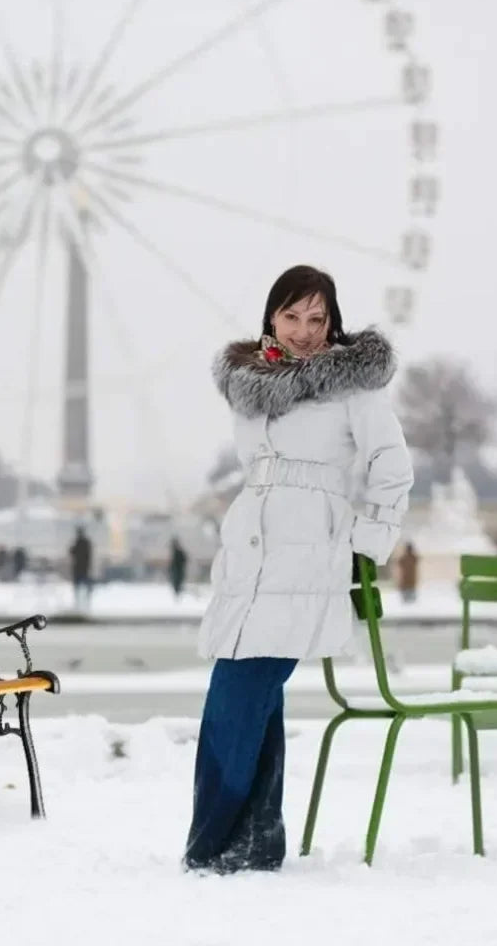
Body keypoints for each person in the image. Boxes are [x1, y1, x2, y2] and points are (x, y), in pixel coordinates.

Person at [185, 264, 413, 875]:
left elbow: (393, 470)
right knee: (255, 699)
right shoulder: (249, 384)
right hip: (249, 558)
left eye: (319, 318)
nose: (307, 331)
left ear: (333, 321)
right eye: (293, 316)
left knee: (235, 698)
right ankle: (257, 841)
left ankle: (209, 846)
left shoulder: (354, 389)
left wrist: (365, 545)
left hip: (310, 558)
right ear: (271, 318)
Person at [69, 527, 93, 611]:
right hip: (84, 567)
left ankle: (80, 600)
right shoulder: (86, 543)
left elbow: (72, 552)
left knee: (78, 585)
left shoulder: (78, 542)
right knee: (85, 584)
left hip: (79, 567)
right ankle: (85, 599)